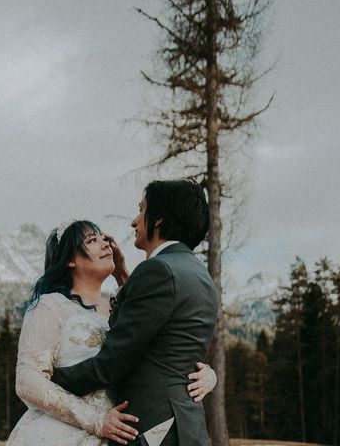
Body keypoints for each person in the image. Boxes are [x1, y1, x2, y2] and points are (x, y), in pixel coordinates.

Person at [5, 219, 215, 446]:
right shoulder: (50, 306)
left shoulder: (118, 308)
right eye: (92, 240)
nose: (105, 244)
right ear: (70, 260)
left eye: (104, 239)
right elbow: (28, 381)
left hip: (120, 434)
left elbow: (159, 347)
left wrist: (204, 374)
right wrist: (95, 420)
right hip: (63, 432)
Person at [51, 180, 218, 446]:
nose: (134, 222)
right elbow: (167, 339)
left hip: (153, 429)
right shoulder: (199, 274)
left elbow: (114, 361)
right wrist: (123, 276)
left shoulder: (158, 271)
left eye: (141, 210)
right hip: (187, 424)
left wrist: (49, 381)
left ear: (159, 219)